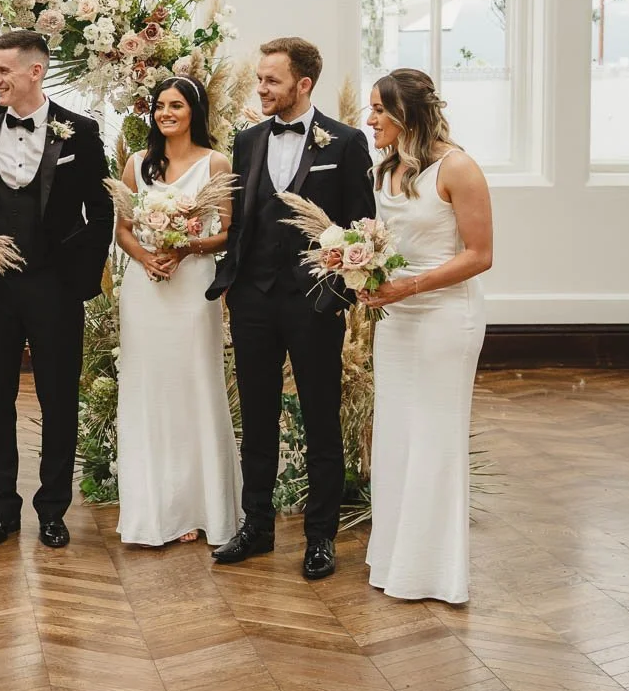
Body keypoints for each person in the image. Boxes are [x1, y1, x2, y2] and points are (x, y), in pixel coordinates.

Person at [206, 36, 373, 581]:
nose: (261, 88)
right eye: (259, 79)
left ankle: (320, 537)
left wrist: (336, 294)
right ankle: (256, 527)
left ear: (304, 84)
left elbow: (360, 227)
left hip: (313, 302)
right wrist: (233, 283)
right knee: (256, 416)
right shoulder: (249, 139)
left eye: (272, 80)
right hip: (252, 298)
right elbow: (243, 213)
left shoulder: (345, 142)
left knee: (320, 416)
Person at [0, 30, 113, 550]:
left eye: (3, 70)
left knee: (58, 399)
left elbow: (103, 211)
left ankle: (53, 509)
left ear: (35, 71)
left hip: (55, 288)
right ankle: (1, 509)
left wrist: (82, 282)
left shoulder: (82, 131)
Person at [361, 69, 492, 604]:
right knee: (395, 432)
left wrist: (409, 286)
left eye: (377, 111)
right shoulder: (384, 170)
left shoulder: (458, 168)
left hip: (444, 318)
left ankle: (434, 571)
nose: (368, 120)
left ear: (405, 113)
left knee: (435, 434)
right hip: (397, 319)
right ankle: (396, 559)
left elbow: (480, 255)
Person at [113, 77, 242, 548]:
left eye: (176, 105)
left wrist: (186, 248)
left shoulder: (216, 162)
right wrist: (145, 256)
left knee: (194, 384)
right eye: (160, 106)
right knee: (148, 388)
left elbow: (228, 231)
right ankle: (153, 508)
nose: (166, 113)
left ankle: (200, 506)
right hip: (145, 288)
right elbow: (122, 230)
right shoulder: (136, 164)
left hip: (192, 285)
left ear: (195, 111)